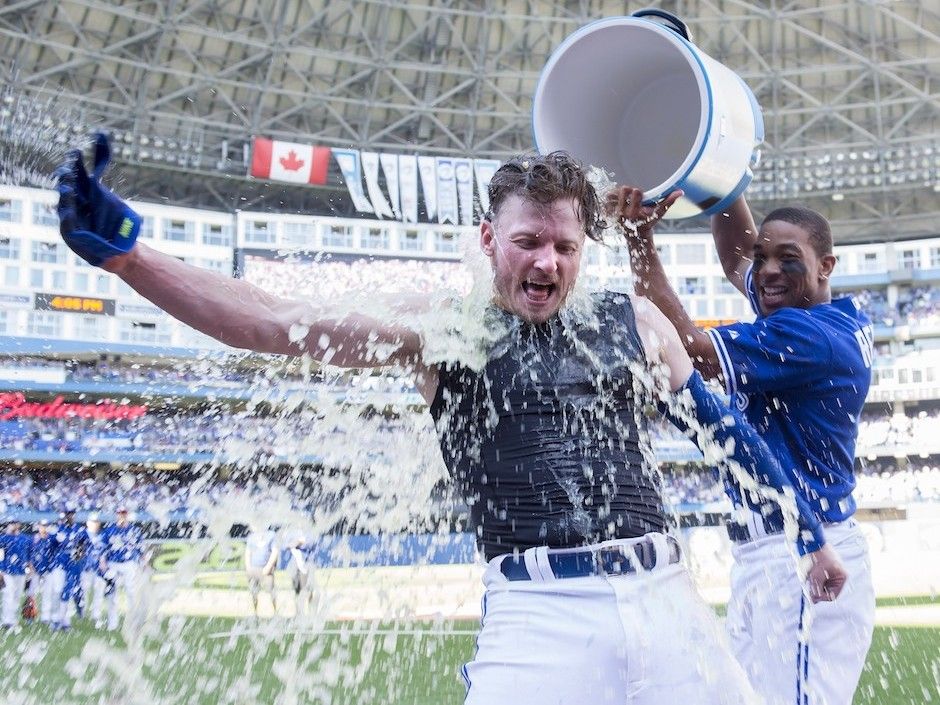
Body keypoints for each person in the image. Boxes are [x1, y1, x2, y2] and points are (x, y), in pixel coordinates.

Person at [57, 137, 845, 703]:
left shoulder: (634, 320)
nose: (547, 263)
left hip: (667, 596)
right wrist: (131, 260)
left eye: (565, 246)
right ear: (487, 239)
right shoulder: (444, 325)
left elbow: (726, 436)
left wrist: (809, 533)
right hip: (540, 617)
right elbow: (271, 319)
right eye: (528, 241)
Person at [608, 186, 876, 705]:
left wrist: (639, 240)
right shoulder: (827, 314)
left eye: (787, 259)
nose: (767, 271)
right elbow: (737, 256)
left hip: (803, 554)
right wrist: (721, 179)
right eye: (764, 256)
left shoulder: (806, 336)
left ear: (826, 265)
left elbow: (685, 350)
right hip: (776, 554)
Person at [99, 506, 144, 631]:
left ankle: (133, 622)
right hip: (113, 564)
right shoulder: (110, 531)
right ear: (117, 514)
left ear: (127, 514)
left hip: (129, 564)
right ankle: (112, 623)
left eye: (124, 513)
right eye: (119, 513)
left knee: (131, 593)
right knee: (112, 594)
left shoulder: (134, 530)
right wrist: (102, 561)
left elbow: (140, 548)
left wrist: (144, 563)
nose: (122, 515)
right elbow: (103, 548)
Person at [0, 520, 32, 629]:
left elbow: (28, 556)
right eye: (10, 523)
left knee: (17, 596)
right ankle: (6, 620)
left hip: (21, 571)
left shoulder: (25, 539)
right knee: (8, 594)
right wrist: (0, 570)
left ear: (19, 524)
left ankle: (13, 619)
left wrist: (29, 569)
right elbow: (0, 555)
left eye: (14, 523)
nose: (12, 525)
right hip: (7, 571)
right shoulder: (3, 538)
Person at [244, 524, 278, 617]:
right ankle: (255, 614)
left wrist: (268, 566)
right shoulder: (251, 537)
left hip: (266, 569)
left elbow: (275, 552)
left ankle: (275, 613)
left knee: (271, 591)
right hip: (253, 569)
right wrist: (248, 567)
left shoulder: (271, 535)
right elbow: (248, 553)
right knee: (254, 592)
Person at [28, 519, 57, 626]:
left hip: (48, 569)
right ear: (38, 526)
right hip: (36, 569)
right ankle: (30, 615)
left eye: (46, 525)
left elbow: (56, 552)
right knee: (32, 593)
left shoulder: (52, 539)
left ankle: (45, 617)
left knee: (47, 593)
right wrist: (30, 565)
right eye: (42, 525)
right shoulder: (34, 538)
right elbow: (30, 553)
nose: (43, 528)